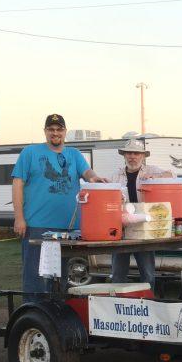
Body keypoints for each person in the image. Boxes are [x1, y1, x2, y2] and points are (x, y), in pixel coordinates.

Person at [12, 114, 107, 294]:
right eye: (51, 129)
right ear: (45, 131)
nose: (55, 133)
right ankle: (34, 310)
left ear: (65, 132)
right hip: (37, 225)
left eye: (59, 129)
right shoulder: (30, 153)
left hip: (68, 227)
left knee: (61, 277)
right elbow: (17, 183)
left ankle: (58, 309)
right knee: (36, 275)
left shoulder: (74, 154)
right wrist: (19, 218)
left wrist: (94, 178)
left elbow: (87, 172)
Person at [109, 138, 172, 288]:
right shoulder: (116, 175)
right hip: (122, 229)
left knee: (148, 274)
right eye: (129, 153)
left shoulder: (151, 170)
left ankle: (148, 299)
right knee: (118, 274)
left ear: (143, 156)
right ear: (124, 155)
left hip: (144, 229)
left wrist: (155, 178)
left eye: (136, 153)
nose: (132, 156)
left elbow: (172, 174)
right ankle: (117, 300)